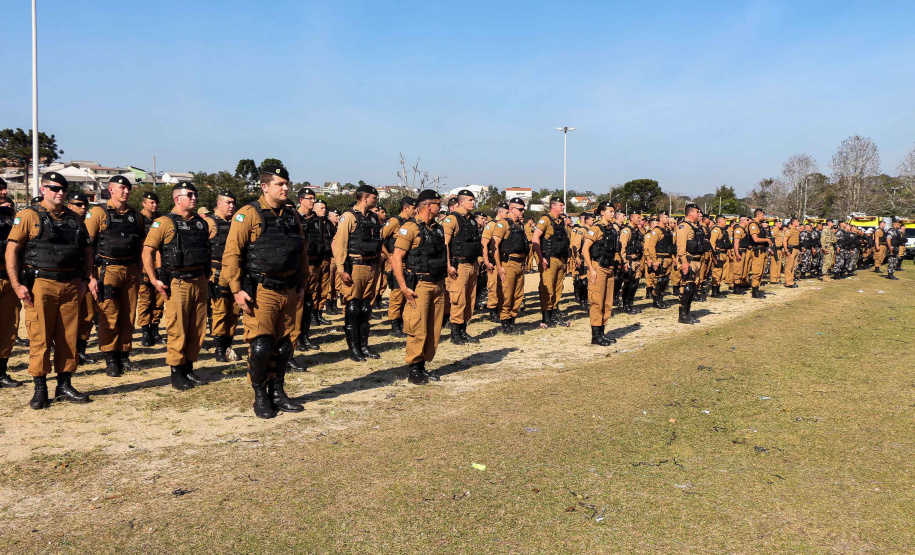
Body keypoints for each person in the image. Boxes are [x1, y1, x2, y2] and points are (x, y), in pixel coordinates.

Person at [5, 172, 97, 409]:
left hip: (70, 284)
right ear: (43, 189)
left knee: (68, 337)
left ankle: (64, 385)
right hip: (40, 285)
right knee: (40, 337)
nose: (60, 193)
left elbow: (86, 249)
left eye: (63, 189)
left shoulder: (74, 218)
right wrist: (16, 284)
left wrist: (86, 278)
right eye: (55, 188)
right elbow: (12, 250)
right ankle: (40, 388)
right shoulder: (29, 216)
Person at [220, 165, 306, 418]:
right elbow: (232, 254)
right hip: (261, 290)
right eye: (280, 184)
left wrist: (302, 284)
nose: (285, 188)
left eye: (286, 183)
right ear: (265, 186)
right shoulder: (248, 214)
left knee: (284, 346)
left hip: (288, 288)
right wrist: (236, 290)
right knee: (261, 347)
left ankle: (277, 393)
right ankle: (260, 396)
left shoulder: (291, 215)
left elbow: (301, 252)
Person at [142, 183, 211, 391]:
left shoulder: (201, 223)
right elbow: (147, 251)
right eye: (189, 195)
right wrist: (154, 279)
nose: (194, 198)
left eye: (195, 194)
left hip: (199, 281)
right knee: (177, 329)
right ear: (177, 199)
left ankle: (189, 368)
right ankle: (177, 372)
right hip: (177, 283)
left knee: (197, 329)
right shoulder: (164, 222)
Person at [84, 175, 145, 377]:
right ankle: (110, 358)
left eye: (128, 188)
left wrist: (141, 272)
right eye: (121, 188)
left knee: (129, 315)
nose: (126, 191)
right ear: (110, 189)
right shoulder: (98, 213)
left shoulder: (136, 215)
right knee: (109, 315)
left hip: (131, 271)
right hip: (107, 271)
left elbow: (141, 246)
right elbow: (87, 246)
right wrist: (91, 277)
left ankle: (124, 356)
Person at [390, 190, 446, 384]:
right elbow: (396, 258)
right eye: (438, 204)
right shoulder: (410, 228)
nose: (441, 207)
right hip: (419, 285)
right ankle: (414, 369)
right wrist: (403, 287)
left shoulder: (438, 229)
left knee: (433, 329)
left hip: (437, 284)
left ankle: (423, 366)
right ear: (429, 206)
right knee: (417, 328)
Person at [332, 184, 384, 362]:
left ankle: (364, 346)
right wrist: (341, 269)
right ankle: (354, 348)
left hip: (371, 266)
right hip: (354, 267)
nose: (376, 200)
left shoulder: (373, 218)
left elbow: (377, 241)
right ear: (365, 197)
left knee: (366, 307)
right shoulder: (348, 217)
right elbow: (340, 244)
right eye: (374, 197)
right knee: (353, 308)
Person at [205, 190, 241, 363]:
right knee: (219, 310)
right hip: (217, 271)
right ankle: (219, 348)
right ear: (219, 204)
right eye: (228, 202)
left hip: (235, 271)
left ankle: (228, 345)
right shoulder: (210, 223)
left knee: (234, 310)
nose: (231, 206)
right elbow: (202, 248)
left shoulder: (237, 222)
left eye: (233, 202)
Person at [442, 190, 482, 344]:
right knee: (458, 299)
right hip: (458, 266)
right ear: (461, 202)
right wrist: (448, 265)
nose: (473, 203)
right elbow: (445, 244)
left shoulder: (471, 220)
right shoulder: (452, 219)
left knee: (469, 300)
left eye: (473, 200)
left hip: (472, 264)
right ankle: (455, 333)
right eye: (470, 200)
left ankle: (463, 330)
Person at [66, 192, 97, 366]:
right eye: (79, 204)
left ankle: (81, 350)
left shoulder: (86, 225)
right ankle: (68, 352)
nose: (83, 207)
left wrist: (90, 277)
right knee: (69, 317)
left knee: (87, 314)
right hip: (68, 277)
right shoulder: (64, 224)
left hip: (85, 276)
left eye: (85, 204)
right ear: (69, 206)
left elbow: (89, 253)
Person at [581, 202, 618, 345]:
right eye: (610, 211)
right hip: (598, 267)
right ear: (602, 212)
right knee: (597, 302)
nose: (613, 214)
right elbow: (585, 249)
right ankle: (596, 336)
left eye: (613, 211)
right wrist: (591, 269)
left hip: (609, 267)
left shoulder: (612, 229)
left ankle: (602, 332)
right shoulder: (596, 228)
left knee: (607, 302)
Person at [0, 178, 25, 387]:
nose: (3, 192)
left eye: (4, 189)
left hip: (8, 278)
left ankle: (1, 372)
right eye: (0, 189)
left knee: (8, 327)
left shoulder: (11, 217)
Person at [491, 198, 529, 334]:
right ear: (512, 209)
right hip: (508, 263)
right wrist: (499, 266)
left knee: (518, 295)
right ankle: (505, 323)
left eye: (523, 209)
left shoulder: (520, 225)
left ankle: (512, 320)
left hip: (519, 263)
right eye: (520, 209)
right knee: (506, 295)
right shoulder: (503, 224)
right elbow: (494, 246)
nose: (522, 212)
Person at [381, 197, 416, 338]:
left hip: (408, 263)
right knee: (397, 294)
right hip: (396, 263)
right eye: (413, 208)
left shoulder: (412, 223)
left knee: (407, 294)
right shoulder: (394, 222)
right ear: (405, 208)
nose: (415, 211)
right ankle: (394, 324)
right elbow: (380, 239)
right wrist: (388, 257)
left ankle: (403, 322)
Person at [532, 197, 570, 327]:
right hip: (549, 259)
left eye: (563, 205)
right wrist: (541, 257)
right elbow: (535, 238)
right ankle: (546, 316)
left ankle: (553, 312)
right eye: (560, 205)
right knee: (547, 288)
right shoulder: (546, 219)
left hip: (560, 259)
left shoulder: (561, 221)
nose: (563, 207)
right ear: (553, 206)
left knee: (558, 288)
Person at [292, 187, 322, 353]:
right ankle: (296, 338)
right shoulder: (294, 217)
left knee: (309, 303)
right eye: (309, 198)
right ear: (301, 200)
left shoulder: (316, 219)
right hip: (301, 266)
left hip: (315, 265)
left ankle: (305, 336)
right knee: (299, 304)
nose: (312, 201)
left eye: (313, 198)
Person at [136, 191, 164, 345]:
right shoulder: (138, 219)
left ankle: (155, 329)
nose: (154, 205)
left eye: (156, 203)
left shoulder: (161, 219)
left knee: (159, 299)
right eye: (151, 202)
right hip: (144, 264)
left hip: (159, 263)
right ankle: (145, 331)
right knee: (145, 299)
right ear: (143, 203)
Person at [675, 204, 704, 324]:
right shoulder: (684, 226)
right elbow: (681, 246)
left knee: (692, 288)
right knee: (686, 288)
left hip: (696, 260)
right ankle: (682, 316)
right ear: (690, 213)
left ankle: (687, 313)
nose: (699, 214)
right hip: (688, 260)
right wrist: (684, 262)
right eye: (697, 212)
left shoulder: (695, 226)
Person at [481, 202, 508, 322]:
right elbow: (484, 244)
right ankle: (492, 310)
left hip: (503, 260)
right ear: (500, 212)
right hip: (493, 261)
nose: (508, 214)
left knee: (503, 285)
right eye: (506, 212)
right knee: (493, 286)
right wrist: (486, 261)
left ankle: (501, 309)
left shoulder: (506, 224)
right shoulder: (492, 225)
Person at [644, 211, 674, 308]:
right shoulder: (656, 231)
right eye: (666, 217)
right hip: (660, 258)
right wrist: (654, 260)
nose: (668, 219)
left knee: (665, 280)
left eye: (668, 217)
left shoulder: (667, 230)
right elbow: (651, 247)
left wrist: (673, 258)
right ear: (660, 218)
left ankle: (661, 299)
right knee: (659, 280)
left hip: (668, 258)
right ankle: (656, 300)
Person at [618, 211, 643, 313]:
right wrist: (624, 262)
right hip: (630, 260)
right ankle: (626, 306)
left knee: (635, 283)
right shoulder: (626, 231)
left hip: (637, 260)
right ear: (632, 218)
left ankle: (631, 303)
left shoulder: (637, 231)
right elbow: (622, 247)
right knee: (629, 284)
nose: (640, 219)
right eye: (638, 217)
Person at [747, 208, 771, 298]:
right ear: (758, 215)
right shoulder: (753, 225)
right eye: (763, 215)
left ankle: (757, 288)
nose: (764, 217)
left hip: (763, 250)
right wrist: (767, 240)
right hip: (757, 251)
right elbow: (755, 239)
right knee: (757, 271)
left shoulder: (759, 225)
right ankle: (754, 291)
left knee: (761, 271)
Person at [708, 215, 732, 298]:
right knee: (717, 273)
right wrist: (714, 256)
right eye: (724, 220)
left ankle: (718, 290)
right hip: (718, 254)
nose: (725, 221)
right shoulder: (716, 230)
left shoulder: (724, 230)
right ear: (719, 221)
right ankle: (714, 292)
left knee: (722, 273)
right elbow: (712, 243)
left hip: (723, 254)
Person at [783, 218, 800, 288]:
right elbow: (784, 241)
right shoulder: (789, 230)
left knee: (794, 266)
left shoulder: (796, 230)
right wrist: (786, 250)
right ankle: (788, 282)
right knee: (789, 267)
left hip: (796, 249)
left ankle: (791, 280)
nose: (798, 223)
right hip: (791, 249)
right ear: (793, 222)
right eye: (797, 222)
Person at [769, 219, 784, 285]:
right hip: (775, 249)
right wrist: (771, 249)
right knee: (774, 264)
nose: (781, 224)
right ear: (776, 224)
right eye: (779, 223)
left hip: (780, 249)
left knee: (779, 264)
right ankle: (773, 279)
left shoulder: (780, 231)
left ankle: (777, 278)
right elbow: (771, 240)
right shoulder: (773, 231)